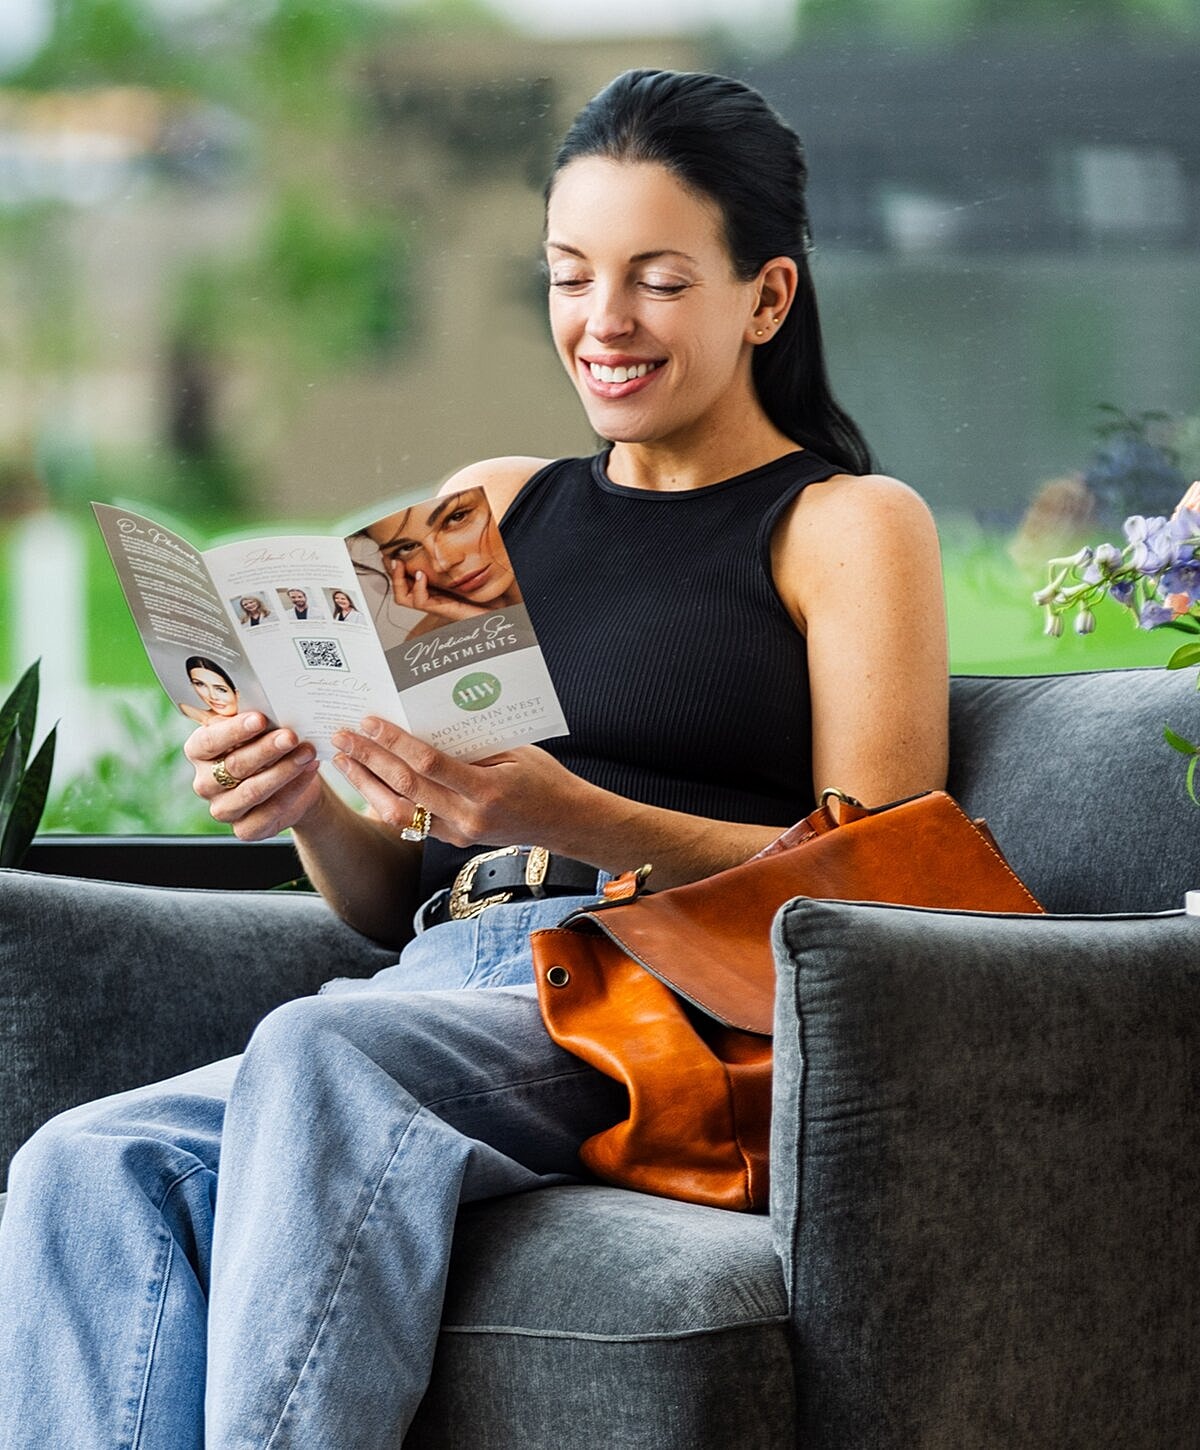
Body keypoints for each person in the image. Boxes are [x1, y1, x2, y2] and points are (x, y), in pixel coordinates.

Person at [0, 69, 948, 1449]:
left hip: (649, 982)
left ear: (767, 297)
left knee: (326, 1053)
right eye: (570, 276)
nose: (602, 322)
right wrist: (313, 800)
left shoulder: (847, 523)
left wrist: (585, 815)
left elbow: (886, 882)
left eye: (658, 280)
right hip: (439, 977)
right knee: (84, 1161)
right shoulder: (486, 509)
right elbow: (397, 901)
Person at [351, 487, 522, 641]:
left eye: (457, 517)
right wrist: (491, 625)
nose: (442, 564)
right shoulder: (427, 643)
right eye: (407, 548)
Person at [176, 655, 240, 725]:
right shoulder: (202, 717)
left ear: (236, 693)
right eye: (200, 684)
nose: (212, 696)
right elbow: (184, 707)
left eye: (221, 689)